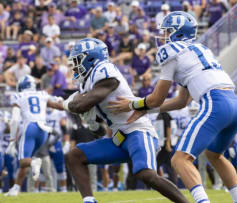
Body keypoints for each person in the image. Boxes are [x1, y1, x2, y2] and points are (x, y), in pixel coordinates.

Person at [108, 11, 237, 203]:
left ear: (178, 33)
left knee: (179, 159)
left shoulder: (171, 51)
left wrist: (133, 104)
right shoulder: (200, 50)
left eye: (167, 31)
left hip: (215, 102)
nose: (163, 36)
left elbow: (156, 98)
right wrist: (146, 109)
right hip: (235, 103)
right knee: (215, 155)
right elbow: (181, 101)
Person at [61, 38, 189, 203]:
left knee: (146, 174)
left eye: (78, 60)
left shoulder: (104, 70)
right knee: (74, 156)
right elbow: (96, 127)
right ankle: (89, 201)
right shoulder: (88, 82)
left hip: (137, 131)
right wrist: (91, 121)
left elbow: (81, 105)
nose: (75, 65)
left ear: (90, 58)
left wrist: (69, 103)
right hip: (119, 138)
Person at [4, 75, 64, 196]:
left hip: (30, 127)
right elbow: (59, 107)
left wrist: (11, 140)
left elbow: (15, 120)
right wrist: (63, 101)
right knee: (26, 158)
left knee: (23, 161)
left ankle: (34, 162)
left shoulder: (18, 96)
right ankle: (16, 188)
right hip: (43, 130)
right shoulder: (42, 94)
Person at [46, 108, 69, 192]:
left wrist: (67, 142)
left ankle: (63, 189)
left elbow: (64, 128)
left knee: (60, 166)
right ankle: (43, 189)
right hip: (43, 143)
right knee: (42, 167)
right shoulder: (40, 112)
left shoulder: (59, 113)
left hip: (56, 142)